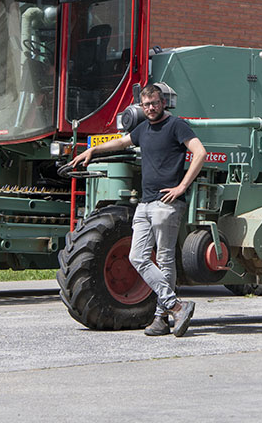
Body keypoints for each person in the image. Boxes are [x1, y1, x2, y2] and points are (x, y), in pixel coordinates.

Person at [72, 84, 207, 337]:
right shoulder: (143, 128)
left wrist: (181, 186)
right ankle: (176, 305)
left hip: (166, 203)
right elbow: (122, 142)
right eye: (146, 105)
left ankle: (160, 318)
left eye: (154, 103)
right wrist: (92, 150)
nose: (151, 108)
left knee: (165, 259)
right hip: (144, 203)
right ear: (141, 106)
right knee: (137, 257)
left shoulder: (176, 125)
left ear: (162, 102)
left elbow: (200, 152)